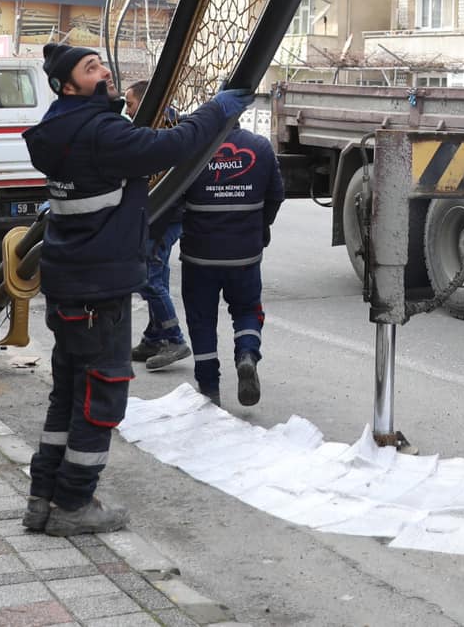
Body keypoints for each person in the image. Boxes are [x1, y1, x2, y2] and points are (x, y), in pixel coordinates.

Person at [20, 42, 246, 537]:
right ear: (68, 85)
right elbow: (171, 146)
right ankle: (75, 504)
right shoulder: (101, 132)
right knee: (102, 395)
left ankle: (43, 499)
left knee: (67, 394)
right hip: (100, 288)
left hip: (68, 281)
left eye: (100, 61)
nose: (103, 70)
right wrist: (218, 110)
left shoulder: (55, 130)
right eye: (90, 67)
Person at [177, 124, 285, 407]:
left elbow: (173, 200)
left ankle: (210, 390)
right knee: (247, 310)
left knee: (201, 321)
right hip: (244, 256)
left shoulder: (193, 148)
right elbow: (275, 195)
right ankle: (247, 355)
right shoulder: (260, 147)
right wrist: (261, 225)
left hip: (199, 256)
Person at [125, 82, 191, 372]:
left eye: (130, 103)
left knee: (150, 280)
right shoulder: (156, 127)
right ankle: (154, 337)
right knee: (157, 279)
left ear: (147, 101)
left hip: (164, 219)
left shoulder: (169, 131)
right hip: (156, 219)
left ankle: (174, 339)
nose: (127, 110)